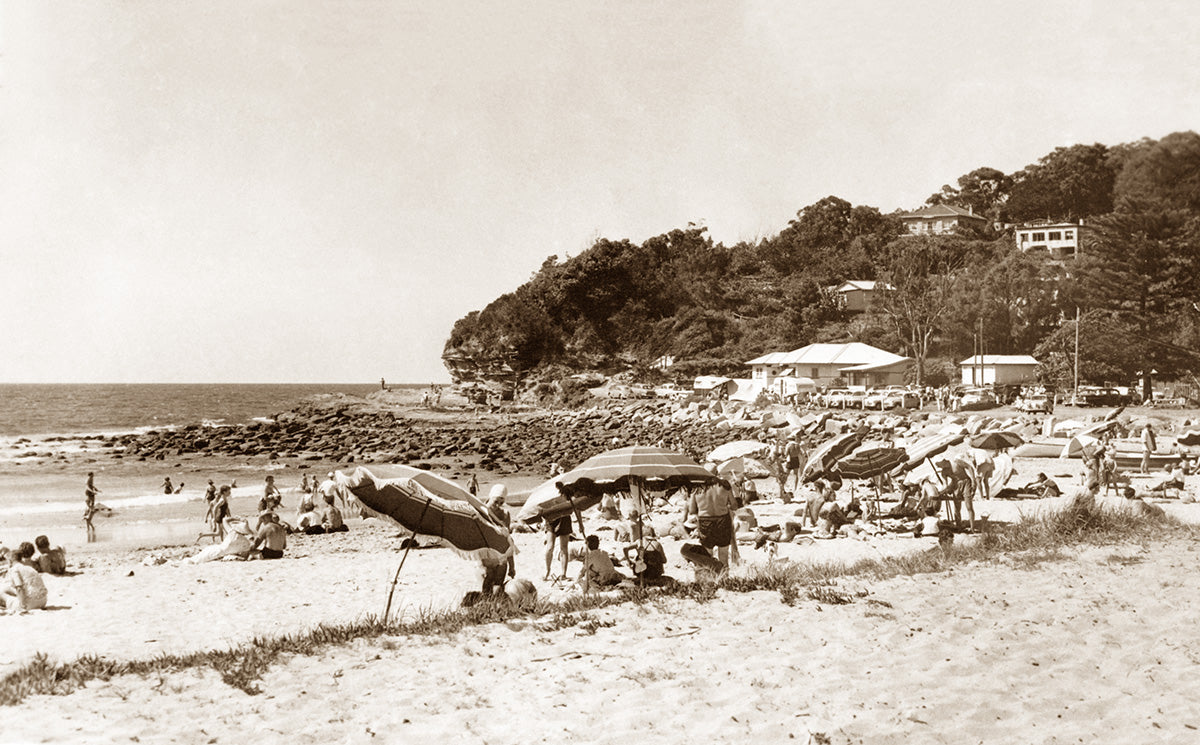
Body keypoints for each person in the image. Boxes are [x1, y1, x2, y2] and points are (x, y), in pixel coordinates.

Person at [683, 469, 738, 569]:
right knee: (724, 555)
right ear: (716, 473)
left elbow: (691, 510)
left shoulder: (697, 487)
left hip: (705, 521)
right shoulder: (725, 485)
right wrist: (723, 506)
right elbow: (734, 506)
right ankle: (725, 580)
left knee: (707, 556)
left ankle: (712, 579)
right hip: (723, 521)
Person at [2, 544, 48, 612]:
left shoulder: (14, 569)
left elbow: (19, 588)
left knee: (2, 594)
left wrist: (22, 604)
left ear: (10, 560)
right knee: (6, 589)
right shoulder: (29, 568)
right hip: (43, 601)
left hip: (30, 604)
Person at [936, 458, 977, 532]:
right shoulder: (944, 472)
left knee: (969, 506)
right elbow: (945, 484)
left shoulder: (956, 462)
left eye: (939, 465)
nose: (939, 467)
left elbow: (969, 467)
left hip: (966, 482)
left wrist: (973, 481)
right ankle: (959, 527)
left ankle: (972, 528)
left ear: (943, 461)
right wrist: (941, 491)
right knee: (957, 508)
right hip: (956, 485)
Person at [543, 505, 573, 580]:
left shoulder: (567, 494)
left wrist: (581, 524)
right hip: (551, 519)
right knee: (550, 548)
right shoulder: (549, 493)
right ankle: (547, 570)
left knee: (564, 548)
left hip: (565, 518)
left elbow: (575, 506)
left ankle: (563, 574)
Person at [83, 472, 99, 542]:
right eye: (92, 475)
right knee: (89, 505)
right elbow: (87, 487)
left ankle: (90, 528)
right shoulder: (88, 479)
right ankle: (90, 528)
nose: (93, 477)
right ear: (90, 475)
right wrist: (92, 491)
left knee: (88, 516)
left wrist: (96, 489)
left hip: (90, 494)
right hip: (89, 493)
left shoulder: (91, 479)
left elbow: (91, 485)